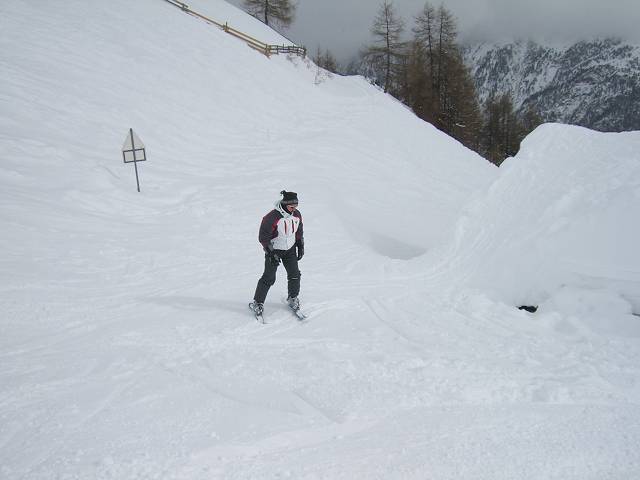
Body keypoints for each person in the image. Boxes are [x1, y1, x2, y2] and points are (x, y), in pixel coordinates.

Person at [250, 190, 304, 316]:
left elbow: (299, 231)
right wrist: (271, 253)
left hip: (290, 250)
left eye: (296, 206)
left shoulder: (297, 215)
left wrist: (300, 245)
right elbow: (263, 237)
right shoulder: (272, 217)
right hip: (274, 250)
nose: (294, 209)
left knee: (295, 274)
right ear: (285, 204)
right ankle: (257, 302)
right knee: (269, 277)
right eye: (291, 207)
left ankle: (293, 298)